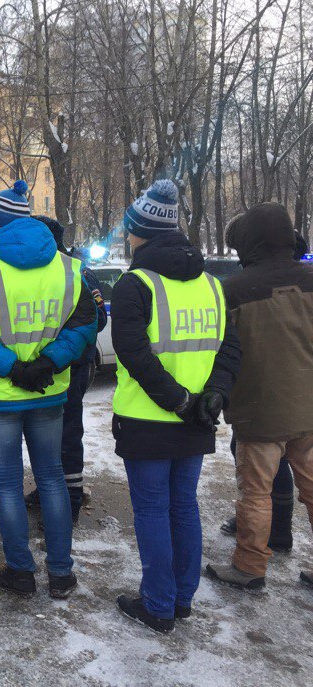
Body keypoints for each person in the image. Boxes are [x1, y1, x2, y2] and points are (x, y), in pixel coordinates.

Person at [111, 179, 240, 633]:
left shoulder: (134, 284)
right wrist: (213, 396)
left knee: (152, 510)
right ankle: (181, 599)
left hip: (150, 420)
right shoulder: (212, 284)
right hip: (196, 419)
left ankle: (159, 605)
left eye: (129, 228)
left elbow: (133, 353)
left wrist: (181, 402)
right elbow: (229, 349)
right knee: (183, 506)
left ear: (139, 230)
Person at [0, 180, 98, 599]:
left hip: (0, 396)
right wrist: (47, 364)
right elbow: (84, 325)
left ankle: (21, 572)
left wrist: (12, 369)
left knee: (6, 483)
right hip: (48, 393)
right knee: (53, 479)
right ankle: (61, 574)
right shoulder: (70, 268)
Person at [206, 203, 313, 591]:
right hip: (309, 409)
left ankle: (250, 566)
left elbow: (223, 350)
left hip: (258, 411)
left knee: (255, 494)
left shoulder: (233, 289)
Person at [25, 216, 107, 525]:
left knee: (67, 432)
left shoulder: (78, 271)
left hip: (73, 366)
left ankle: (69, 500)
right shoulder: (38, 270)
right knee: (43, 432)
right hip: (43, 367)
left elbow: (99, 319)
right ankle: (48, 490)